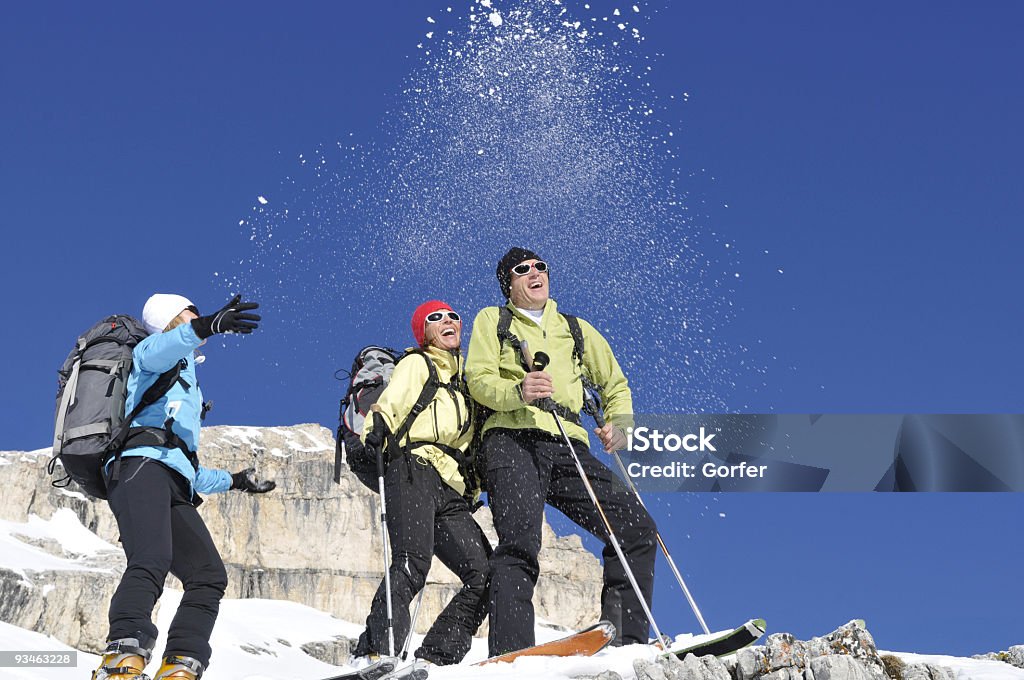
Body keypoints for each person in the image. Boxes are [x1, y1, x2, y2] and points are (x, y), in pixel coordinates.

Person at [466, 247, 657, 656]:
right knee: (519, 542)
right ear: (509, 284)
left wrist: (620, 426)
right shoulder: (492, 320)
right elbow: (478, 379)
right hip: (511, 440)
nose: (535, 273)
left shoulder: (575, 328)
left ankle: (624, 642)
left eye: (541, 266)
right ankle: (511, 655)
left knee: (636, 527)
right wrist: (517, 391)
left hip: (569, 443)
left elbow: (615, 385)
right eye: (523, 270)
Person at [93, 294, 276, 680]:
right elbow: (160, 348)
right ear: (172, 317)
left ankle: (180, 666)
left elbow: (184, 466)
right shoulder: (151, 351)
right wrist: (208, 324)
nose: (198, 314)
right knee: (151, 559)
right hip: (137, 468)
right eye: (191, 310)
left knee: (209, 575)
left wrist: (236, 481)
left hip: (169, 477)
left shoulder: (184, 376)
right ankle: (121, 659)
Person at [352, 300, 490, 669]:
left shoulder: (468, 382)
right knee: (413, 562)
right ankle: (373, 651)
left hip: (451, 487)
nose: (448, 321)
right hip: (411, 468)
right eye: (435, 318)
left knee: (485, 574)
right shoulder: (418, 363)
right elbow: (390, 403)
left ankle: (436, 658)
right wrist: (375, 429)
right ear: (423, 332)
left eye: (453, 316)